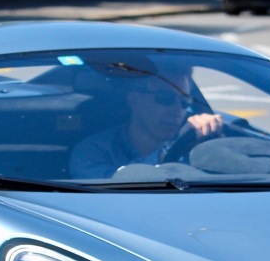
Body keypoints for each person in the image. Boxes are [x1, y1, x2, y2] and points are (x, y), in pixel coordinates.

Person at [68, 72, 224, 180]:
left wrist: (218, 143)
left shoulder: (195, 148)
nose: (177, 111)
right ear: (135, 100)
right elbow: (112, 192)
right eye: (165, 99)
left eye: (185, 102)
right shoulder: (93, 151)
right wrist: (167, 152)